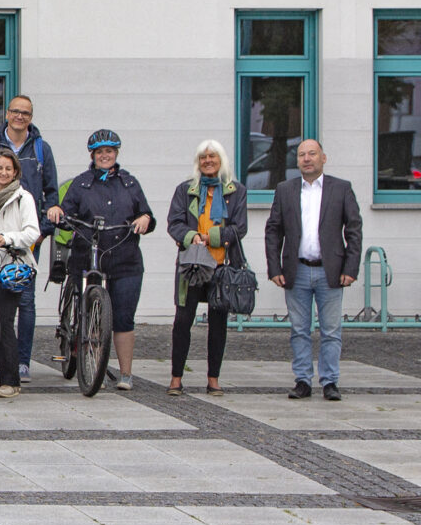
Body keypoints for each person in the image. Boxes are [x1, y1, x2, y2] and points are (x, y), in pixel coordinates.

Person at [47, 129, 154, 391]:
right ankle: (94, 368)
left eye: (109, 151)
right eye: (99, 152)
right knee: (91, 318)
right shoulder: (81, 184)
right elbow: (65, 212)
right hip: (87, 258)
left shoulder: (130, 183)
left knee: (124, 319)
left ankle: (126, 374)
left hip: (125, 259)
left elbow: (146, 214)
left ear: (116, 153)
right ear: (92, 155)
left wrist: (144, 220)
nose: (104, 156)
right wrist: (58, 210)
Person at [263, 139, 363, 401]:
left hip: (330, 271)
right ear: (297, 161)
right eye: (301, 155)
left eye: (312, 154)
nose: (306, 159)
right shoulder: (285, 190)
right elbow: (273, 230)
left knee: (331, 331)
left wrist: (351, 268)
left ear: (323, 158)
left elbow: (354, 229)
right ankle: (303, 381)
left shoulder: (341, 189)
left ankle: (330, 382)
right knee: (299, 329)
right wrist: (274, 267)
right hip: (296, 271)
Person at [0, 95, 58, 381]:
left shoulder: (41, 149)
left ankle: (21, 363)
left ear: (31, 117)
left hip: (26, 241)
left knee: (25, 304)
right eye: (15, 111)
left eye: (26, 113)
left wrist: (41, 232)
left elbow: (52, 193)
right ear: (7, 114)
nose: (20, 116)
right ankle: (3, 365)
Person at [166, 139, 247, 397]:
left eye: (213, 157)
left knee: (218, 325)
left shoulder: (236, 191)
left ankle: (213, 379)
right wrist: (192, 236)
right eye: (203, 157)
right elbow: (174, 223)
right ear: (198, 162)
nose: (208, 161)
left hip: (221, 267)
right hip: (191, 267)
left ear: (221, 160)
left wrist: (211, 236)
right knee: (182, 323)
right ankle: (176, 377)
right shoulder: (185, 189)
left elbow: (240, 227)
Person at [0, 148, 39, 399]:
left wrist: (8, 238)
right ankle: (2, 374)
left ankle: (11, 380)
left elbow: (32, 232)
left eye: (8, 169)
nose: (3, 172)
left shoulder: (24, 198)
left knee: (5, 321)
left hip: (11, 268)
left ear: (15, 173)